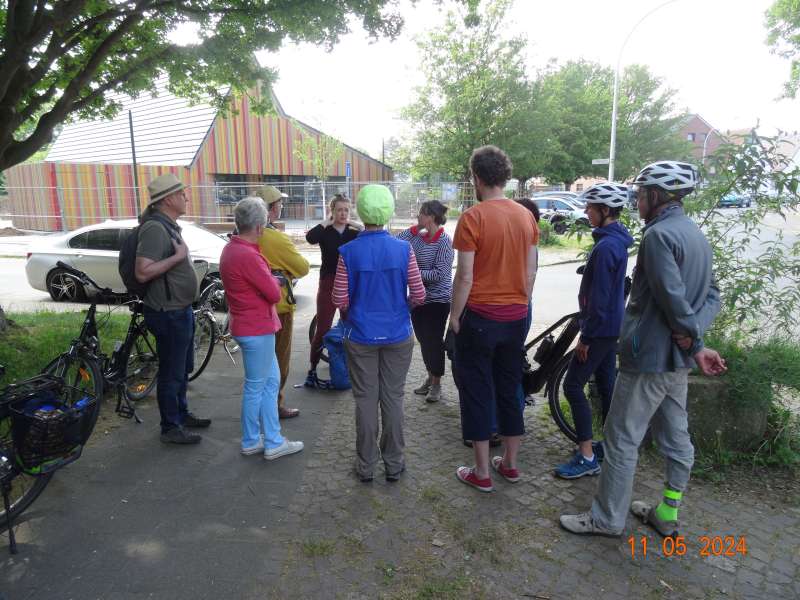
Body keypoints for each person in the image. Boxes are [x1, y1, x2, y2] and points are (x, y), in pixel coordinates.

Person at [560, 161, 727, 538]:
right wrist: (694, 338)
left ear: (656, 196)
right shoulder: (694, 234)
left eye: (639, 195)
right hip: (677, 362)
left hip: (649, 357)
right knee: (676, 438)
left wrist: (694, 338)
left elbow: (672, 298)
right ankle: (667, 511)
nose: (636, 201)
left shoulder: (658, 237)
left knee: (620, 439)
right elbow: (713, 294)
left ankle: (606, 519)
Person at [450, 146, 539, 493]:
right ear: (504, 176)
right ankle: (511, 465)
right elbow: (531, 272)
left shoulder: (473, 218)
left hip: (481, 318)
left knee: (477, 391)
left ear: (476, 177)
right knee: (509, 386)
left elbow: (465, 277)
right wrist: (520, 304)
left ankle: (482, 471)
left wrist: (455, 316)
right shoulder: (526, 217)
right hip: (515, 317)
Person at [332, 184, 426, 483]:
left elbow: (338, 299)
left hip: (360, 336)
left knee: (365, 399)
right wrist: (403, 308)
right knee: (393, 398)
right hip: (398, 335)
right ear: (387, 212)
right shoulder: (404, 248)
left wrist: (350, 311)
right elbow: (420, 294)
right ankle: (395, 463)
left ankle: (365, 465)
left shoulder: (347, 251)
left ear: (361, 210)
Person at [552, 183, 633, 479]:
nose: (586, 211)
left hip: (599, 331)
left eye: (590, 207)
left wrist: (585, 337)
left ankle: (587, 457)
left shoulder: (606, 247)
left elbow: (598, 300)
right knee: (607, 387)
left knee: (572, 386)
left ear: (605, 210)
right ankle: (611, 447)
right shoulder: (616, 242)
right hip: (612, 329)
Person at [220, 197, 304, 460]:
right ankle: (261, 440)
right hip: (256, 327)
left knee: (267, 383)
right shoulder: (248, 255)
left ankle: (264, 439)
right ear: (258, 227)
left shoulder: (232, 249)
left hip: (247, 325)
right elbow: (272, 294)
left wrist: (268, 277)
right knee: (259, 386)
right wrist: (273, 279)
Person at [135, 173, 211, 444]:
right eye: (181, 194)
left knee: (182, 368)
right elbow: (143, 272)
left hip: (180, 310)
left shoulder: (168, 225)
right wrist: (179, 257)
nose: (186, 197)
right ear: (168, 199)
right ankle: (171, 427)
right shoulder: (155, 228)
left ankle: (181, 413)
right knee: (171, 371)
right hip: (168, 313)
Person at [255, 186, 310, 419]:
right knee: (279, 360)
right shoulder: (275, 238)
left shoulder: (242, 235)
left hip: (252, 309)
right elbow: (303, 268)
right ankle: (274, 405)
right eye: (279, 203)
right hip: (278, 308)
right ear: (271, 209)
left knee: (258, 364)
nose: (281, 206)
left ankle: (258, 405)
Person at [397, 200, 454, 403]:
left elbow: (440, 274)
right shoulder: (419, 239)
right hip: (418, 299)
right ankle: (430, 378)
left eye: (421, 214)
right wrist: (417, 227)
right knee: (423, 341)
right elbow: (397, 240)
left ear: (431, 216)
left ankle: (437, 384)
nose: (418, 216)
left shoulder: (445, 242)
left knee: (434, 342)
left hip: (438, 301)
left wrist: (412, 274)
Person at [305, 194, 360, 386]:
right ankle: (312, 370)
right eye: (339, 210)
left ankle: (348, 367)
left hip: (349, 284)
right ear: (332, 211)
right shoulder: (325, 231)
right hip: (328, 282)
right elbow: (310, 238)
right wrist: (325, 222)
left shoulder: (353, 232)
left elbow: (370, 232)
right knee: (323, 328)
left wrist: (353, 221)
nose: (343, 213)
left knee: (350, 327)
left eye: (347, 209)